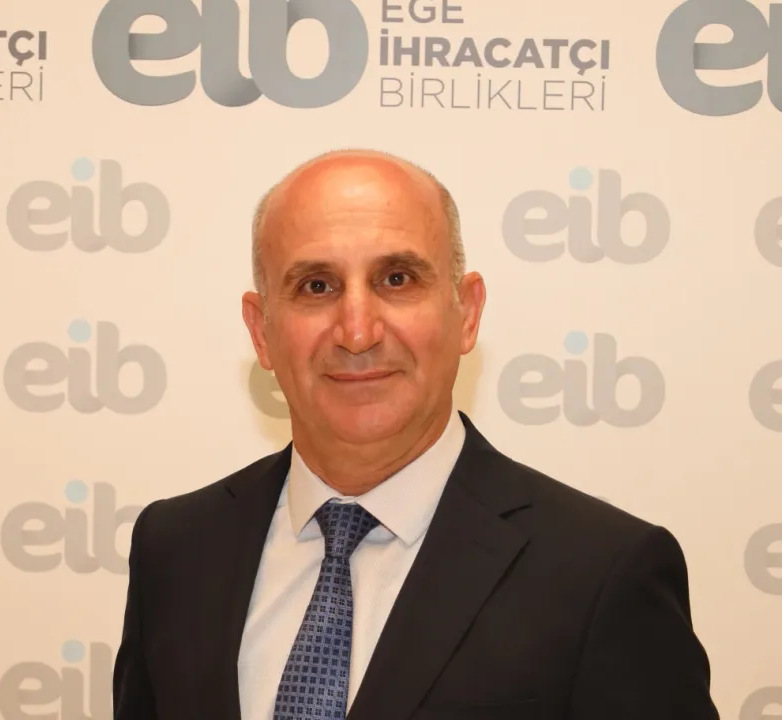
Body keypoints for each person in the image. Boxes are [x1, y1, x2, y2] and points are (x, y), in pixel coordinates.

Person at [111, 149, 718, 720]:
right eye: (316, 286)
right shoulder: (176, 548)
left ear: (467, 313)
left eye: (397, 279)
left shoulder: (604, 574)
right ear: (261, 331)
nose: (357, 331)